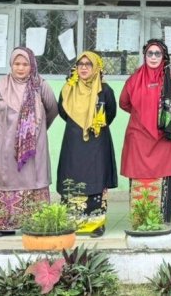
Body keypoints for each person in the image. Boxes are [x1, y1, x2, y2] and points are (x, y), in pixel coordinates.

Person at [0, 47, 58, 238]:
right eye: (17, 64)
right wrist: (9, 129)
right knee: (5, 178)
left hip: (34, 146)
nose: (20, 68)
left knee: (34, 179)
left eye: (25, 64)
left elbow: (52, 110)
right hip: (5, 144)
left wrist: (34, 131)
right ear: (11, 65)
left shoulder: (40, 85)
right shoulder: (1, 85)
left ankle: (36, 223)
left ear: (32, 65)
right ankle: (4, 226)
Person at [120, 39, 171, 223]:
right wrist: (143, 117)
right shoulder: (134, 79)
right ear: (144, 56)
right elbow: (123, 103)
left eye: (157, 53)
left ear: (164, 56)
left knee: (165, 175)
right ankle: (141, 219)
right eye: (149, 53)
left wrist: (168, 118)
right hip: (139, 138)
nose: (153, 57)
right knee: (139, 175)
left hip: (165, 138)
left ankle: (163, 220)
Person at [56, 51, 118, 238]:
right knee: (72, 178)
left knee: (96, 179)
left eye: (88, 64)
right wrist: (79, 124)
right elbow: (62, 112)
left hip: (97, 141)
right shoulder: (69, 88)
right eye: (80, 64)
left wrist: (93, 123)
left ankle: (96, 225)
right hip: (73, 142)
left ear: (96, 67)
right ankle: (72, 223)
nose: (83, 68)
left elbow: (111, 114)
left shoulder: (104, 90)